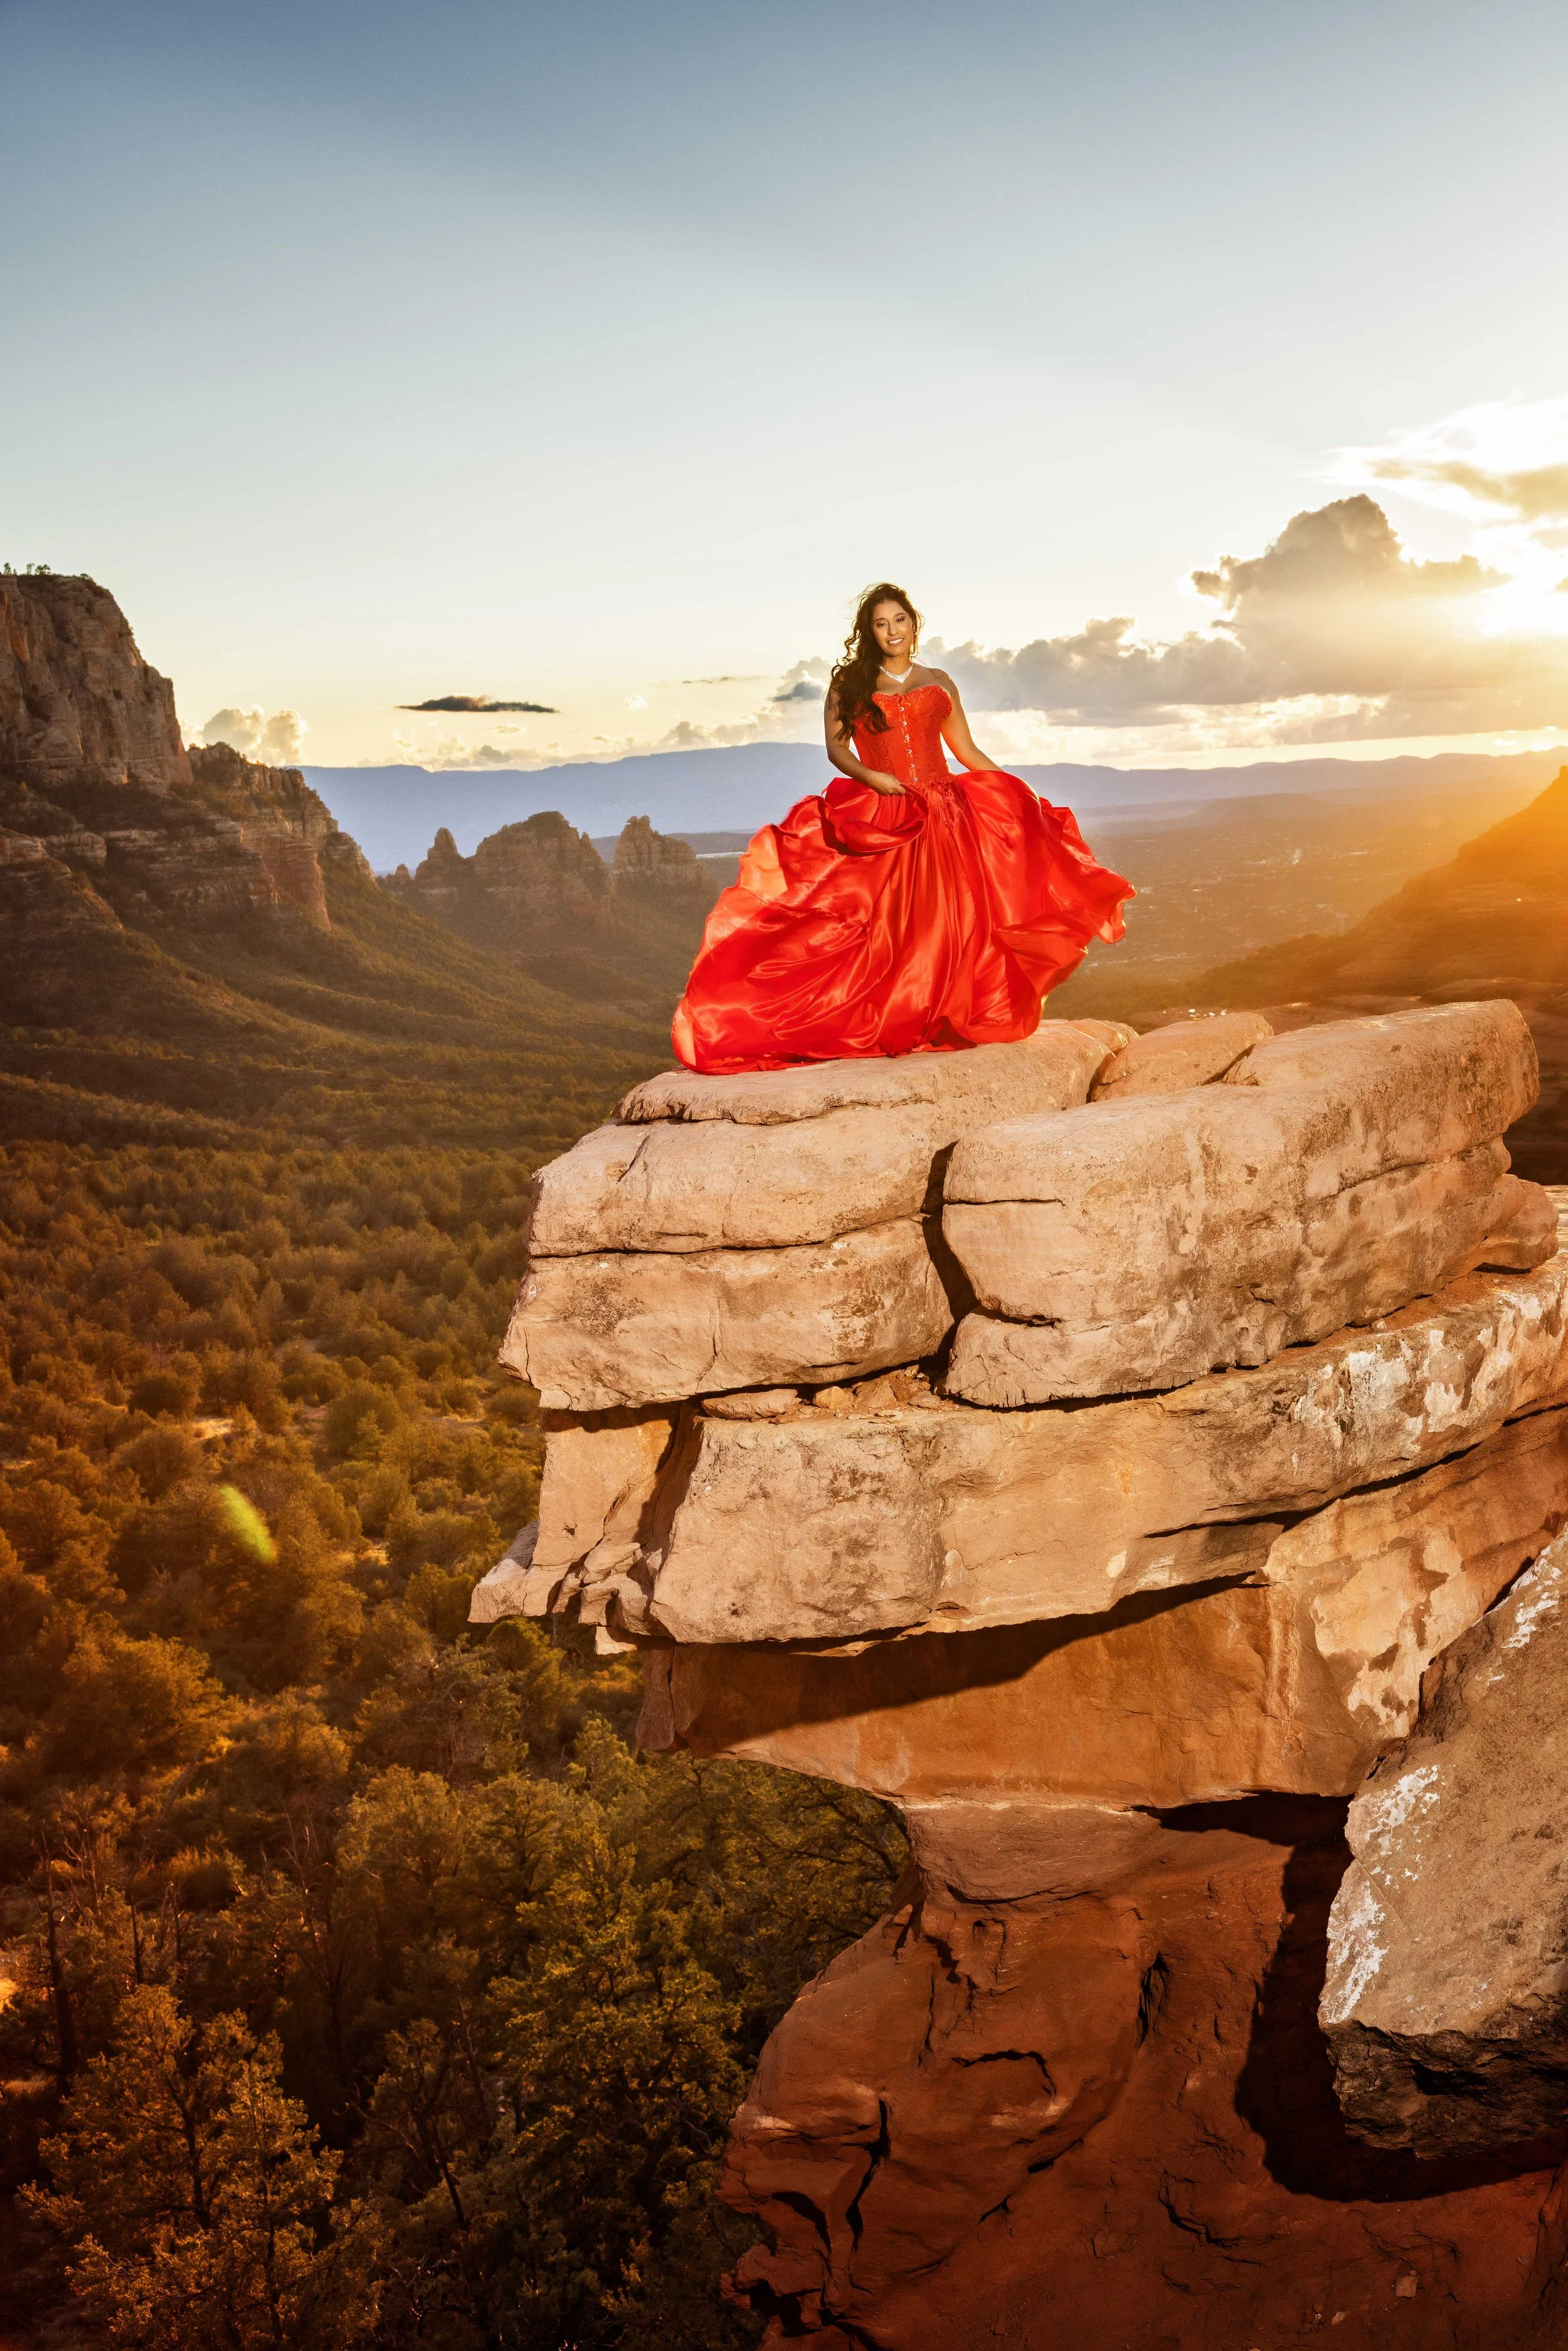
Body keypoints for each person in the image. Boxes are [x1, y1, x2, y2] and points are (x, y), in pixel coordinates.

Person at [671, 581, 1132, 1075]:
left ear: (914, 623)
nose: (892, 631)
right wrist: (875, 779)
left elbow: (965, 751)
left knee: (955, 919)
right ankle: (895, 1012)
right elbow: (836, 749)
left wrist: (1018, 795)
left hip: (947, 812)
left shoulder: (939, 680)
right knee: (891, 923)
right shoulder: (851, 682)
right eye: (880, 623)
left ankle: (944, 1014)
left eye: (899, 620)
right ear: (869, 632)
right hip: (888, 811)